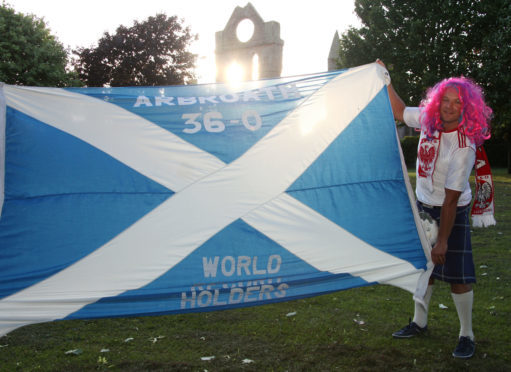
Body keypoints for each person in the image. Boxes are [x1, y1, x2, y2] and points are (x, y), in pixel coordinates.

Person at [376, 59, 494, 359]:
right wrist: (385, 77)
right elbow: (399, 112)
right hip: (423, 205)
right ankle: (419, 322)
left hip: (451, 210)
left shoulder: (464, 145)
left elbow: (452, 201)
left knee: (458, 276)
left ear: (467, 109)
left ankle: (466, 335)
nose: (450, 106)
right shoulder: (429, 121)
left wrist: (442, 239)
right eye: (446, 100)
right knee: (422, 270)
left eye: (458, 102)